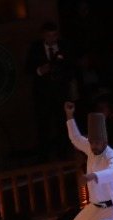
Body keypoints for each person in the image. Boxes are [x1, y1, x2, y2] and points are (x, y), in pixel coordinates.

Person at [25, 22, 73, 161]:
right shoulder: (36, 48)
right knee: (44, 126)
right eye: (48, 36)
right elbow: (28, 68)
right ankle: (44, 158)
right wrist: (40, 70)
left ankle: (63, 156)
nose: (51, 39)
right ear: (43, 35)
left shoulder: (64, 46)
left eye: (54, 35)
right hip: (43, 95)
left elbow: (71, 66)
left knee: (62, 125)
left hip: (61, 93)